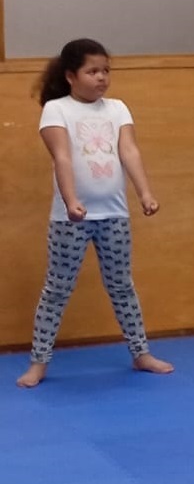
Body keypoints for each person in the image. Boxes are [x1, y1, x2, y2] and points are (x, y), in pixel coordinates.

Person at [16, 39, 173, 388]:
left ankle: (140, 352)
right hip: (70, 219)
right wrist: (71, 201)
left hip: (114, 215)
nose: (102, 78)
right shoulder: (57, 109)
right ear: (71, 75)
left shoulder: (117, 108)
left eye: (106, 71)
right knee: (57, 289)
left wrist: (144, 193)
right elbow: (63, 157)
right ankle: (39, 361)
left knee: (121, 285)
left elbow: (129, 151)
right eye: (92, 71)